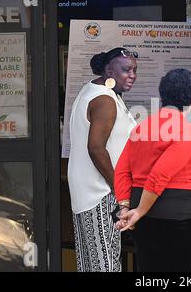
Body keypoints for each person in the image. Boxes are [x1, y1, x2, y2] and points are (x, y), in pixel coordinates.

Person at [114, 69, 191, 272]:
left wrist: (126, 208)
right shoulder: (184, 129)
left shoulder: (141, 128)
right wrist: (139, 211)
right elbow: (160, 174)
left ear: (162, 96)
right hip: (178, 217)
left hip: (142, 217)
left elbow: (122, 170)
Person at [68, 47, 138, 272]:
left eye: (135, 70)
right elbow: (96, 148)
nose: (132, 75)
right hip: (101, 193)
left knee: (92, 264)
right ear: (109, 69)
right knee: (106, 263)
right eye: (126, 70)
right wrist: (119, 188)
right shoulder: (104, 100)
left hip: (90, 191)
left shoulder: (95, 90)